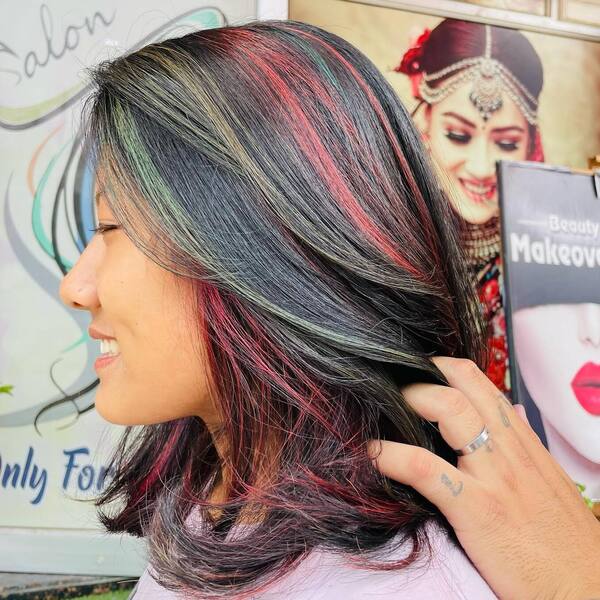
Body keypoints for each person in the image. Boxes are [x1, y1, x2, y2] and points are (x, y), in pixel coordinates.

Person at [59, 20, 600, 599]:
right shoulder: (225, 511)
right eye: (459, 134)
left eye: (112, 226)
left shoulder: (388, 582)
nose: (76, 286)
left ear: (267, 252)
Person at [395, 19, 545, 394]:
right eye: (459, 136)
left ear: (530, 145)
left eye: (507, 143)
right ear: (424, 124)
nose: (481, 166)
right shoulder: (386, 244)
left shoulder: (547, 254)